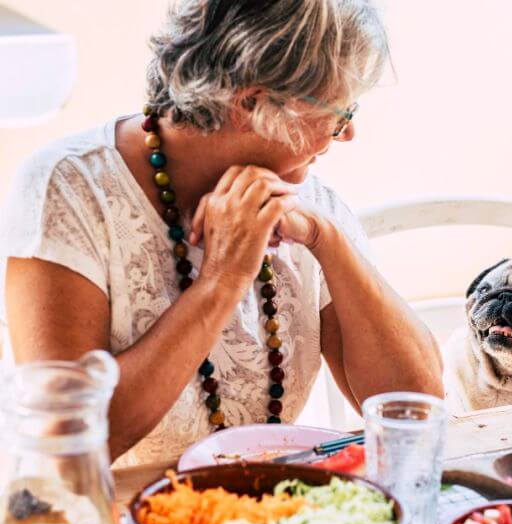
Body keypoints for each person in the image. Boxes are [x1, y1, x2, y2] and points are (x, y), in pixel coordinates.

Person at [0, 0, 443, 467]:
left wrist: (327, 239)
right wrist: (222, 280)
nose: (348, 132)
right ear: (251, 103)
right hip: (114, 523)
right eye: (340, 111)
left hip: (276, 519)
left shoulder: (306, 194)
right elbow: (66, 441)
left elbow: (418, 411)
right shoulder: (70, 189)